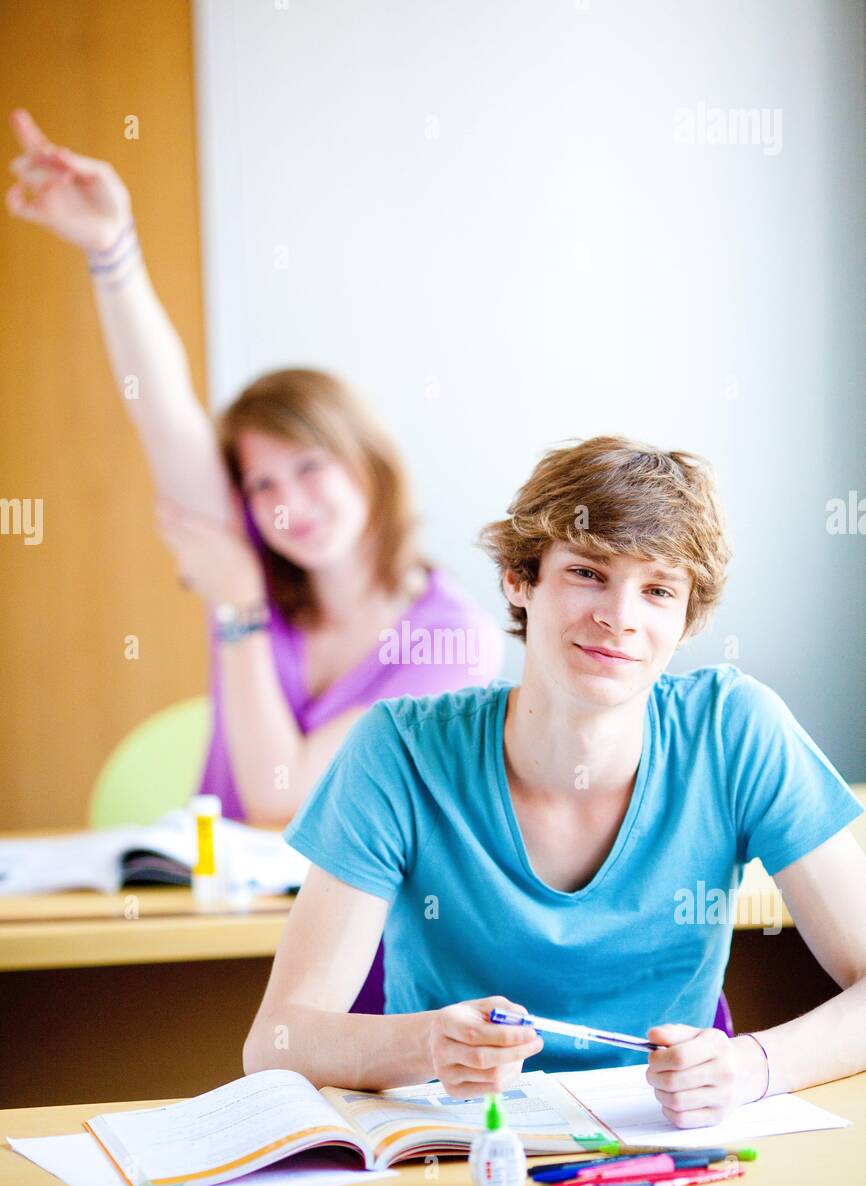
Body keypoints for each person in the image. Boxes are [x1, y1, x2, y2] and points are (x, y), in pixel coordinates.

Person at [6, 108, 504, 1010]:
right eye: (260, 484)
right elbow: (163, 416)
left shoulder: (453, 641)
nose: (285, 505)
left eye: (308, 466)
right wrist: (111, 249)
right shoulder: (261, 569)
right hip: (210, 936)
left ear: (366, 461)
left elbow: (283, 803)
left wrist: (236, 609)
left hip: (369, 965)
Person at [242, 436, 866, 1125]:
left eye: (658, 590)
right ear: (520, 577)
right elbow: (277, 1042)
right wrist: (427, 1042)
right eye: (589, 573)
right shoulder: (399, 751)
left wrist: (755, 1065)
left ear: (687, 619)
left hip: (664, 1145)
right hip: (455, 1144)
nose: (619, 616)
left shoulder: (735, 731)